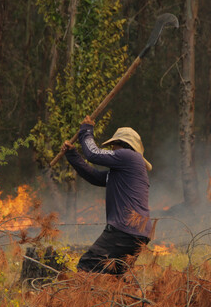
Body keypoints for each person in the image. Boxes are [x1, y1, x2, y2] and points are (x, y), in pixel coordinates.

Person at [62, 116, 154, 275]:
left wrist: (86, 129)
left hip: (124, 229)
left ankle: (77, 299)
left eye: (113, 146)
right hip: (138, 232)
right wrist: (72, 155)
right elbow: (94, 176)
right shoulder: (124, 171)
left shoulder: (128, 156)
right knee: (115, 276)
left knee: (87, 265)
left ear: (123, 145)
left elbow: (93, 154)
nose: (112, 150)